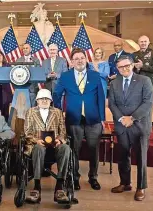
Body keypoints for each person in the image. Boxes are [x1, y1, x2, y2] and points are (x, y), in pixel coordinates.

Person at [53, 48, 105, 191]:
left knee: (93, 150)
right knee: (74, 150)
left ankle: (93, 177)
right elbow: (56, 95)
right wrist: (59, 112)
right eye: (76, 58)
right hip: (73, 119)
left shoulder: (94, 75)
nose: (80, 60)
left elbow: (101, 96)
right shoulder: (65, 76)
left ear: (86, 59)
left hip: (93, 119)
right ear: (71, 62)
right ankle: (74, 178)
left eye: (82, 58)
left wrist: (102, 118)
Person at [109, 55, 153, 201]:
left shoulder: (144, 81)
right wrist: (122, 119)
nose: (125, 68)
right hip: (122, 126)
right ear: (117, 68)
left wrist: (132, 118)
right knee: (122, 156)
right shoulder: (115, 82)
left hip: (140, 126)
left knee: (141, 158)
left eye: (127, 65)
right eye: (121, 67)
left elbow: (148, 103)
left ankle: (141, 187)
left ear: (132, 65)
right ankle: (125, 183)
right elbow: (112, 104)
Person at [24, 89, 71, 204]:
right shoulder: (30, 112)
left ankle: (59, 187)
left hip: (54, 146)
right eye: (41, 99)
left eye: (47, 99)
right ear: (37, 101)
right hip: (37, 145)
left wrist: (60, 140)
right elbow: (27, 132)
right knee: (39, 148)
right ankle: (37, 186)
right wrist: (36, 140)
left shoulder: (57, 112)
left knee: (66, 148)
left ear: (51, 101)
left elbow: (63, 131)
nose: (44, 100)